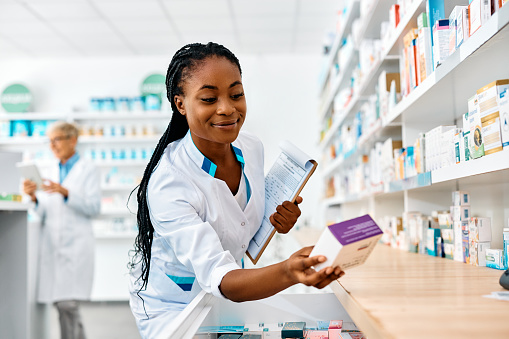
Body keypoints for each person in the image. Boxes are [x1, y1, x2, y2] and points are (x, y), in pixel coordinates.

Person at [128, 42, 344, 338]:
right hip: (175, 308)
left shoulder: (250, 147)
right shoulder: (170, 181)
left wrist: (277, 221)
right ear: (180, 104)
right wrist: (288, 272)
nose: (227, 109)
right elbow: (220, 275)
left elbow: (240, 224)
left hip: (229, 293)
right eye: (208, 98)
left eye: (236, 94)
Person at [23, 121, 100, 339]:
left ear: (72, 140)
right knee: (63, 303)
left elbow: (93, 207)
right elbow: (44, 211)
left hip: (77, 245)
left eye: (57, 140)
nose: (52, 146)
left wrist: (67, 193)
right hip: (53, 245)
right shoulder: (49, 169)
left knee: (67, 303)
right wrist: (33, 198)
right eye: (50, 141)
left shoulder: (89, 169)